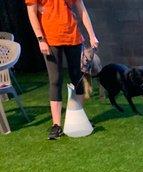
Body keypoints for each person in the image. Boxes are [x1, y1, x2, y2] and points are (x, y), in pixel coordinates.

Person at [25, 0, 99, 140]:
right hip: (50, 38)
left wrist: (92, 34)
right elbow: (32, 12)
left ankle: (79, 116)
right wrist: (40, 39)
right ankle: (56, 125)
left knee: (77, 77)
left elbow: (82, 10)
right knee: (55, 80)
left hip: (73, 37)